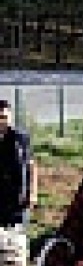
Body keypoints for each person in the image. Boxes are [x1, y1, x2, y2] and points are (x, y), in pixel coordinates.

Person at [0, 99, 37, 230]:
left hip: (18, 197)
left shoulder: (20, 138)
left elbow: (31, 165)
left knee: (17, 234)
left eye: (4, 117)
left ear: (10, 117)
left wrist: (32, 193)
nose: (1, 121)